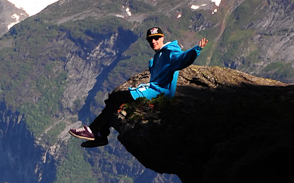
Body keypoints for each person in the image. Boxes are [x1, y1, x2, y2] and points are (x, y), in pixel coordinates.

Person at [69, 26, 208, 147]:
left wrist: (197, 50)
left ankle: (94, 132)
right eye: (150, 40)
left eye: (156, 38)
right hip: (153, 90)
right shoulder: (156, 58)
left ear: (162, 38)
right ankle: (101, 136)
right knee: (113, 98)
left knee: (116, 98)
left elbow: (181, 59)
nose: (153, 42)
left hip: (159, 93)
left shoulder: (170, 51)